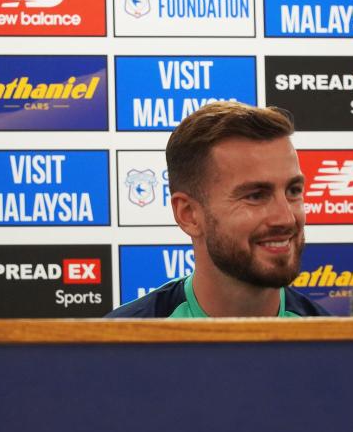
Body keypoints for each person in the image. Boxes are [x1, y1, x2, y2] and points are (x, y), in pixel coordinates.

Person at [107, 101, 328, 318]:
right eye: (255, 196)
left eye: (293, 191)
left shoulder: (335, 346)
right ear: (189, 214)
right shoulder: (119, 346)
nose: (286, 219)